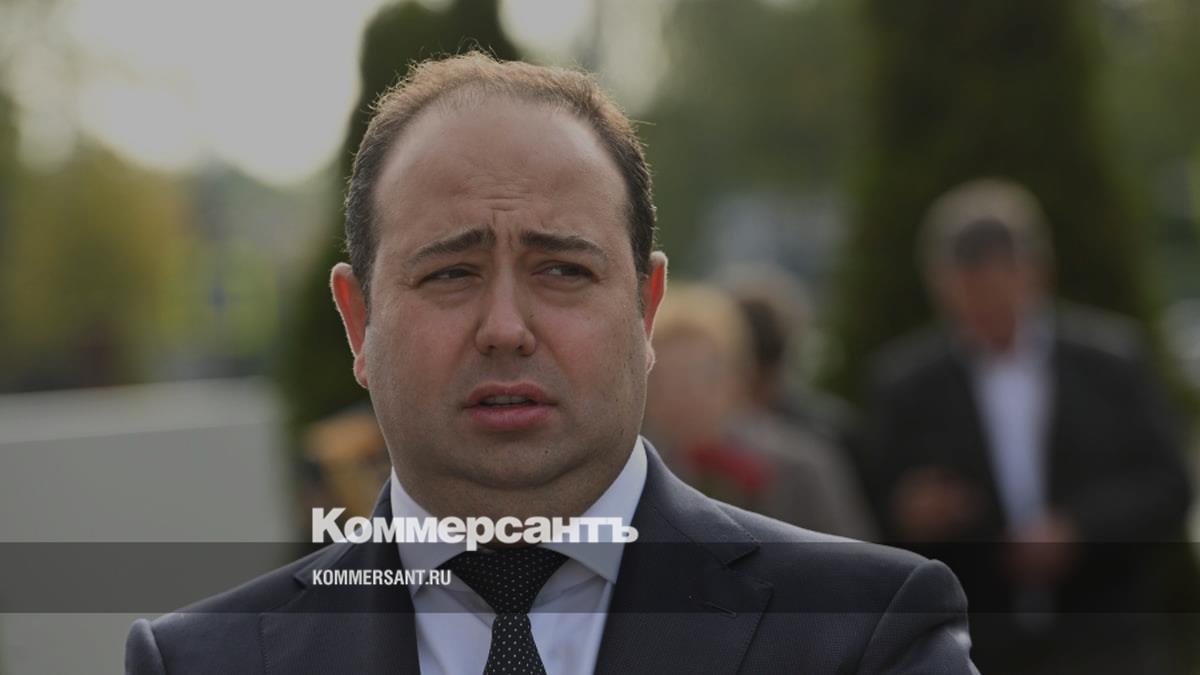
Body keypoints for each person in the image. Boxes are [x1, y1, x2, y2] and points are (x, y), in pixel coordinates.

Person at [126, 52, 976, 674]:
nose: (505, 328)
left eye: (563, 270)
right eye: (451, 273)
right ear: (359, 321)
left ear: (645, 308)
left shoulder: (865, 635)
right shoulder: (202, 663)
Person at [866, 177, 1193, 674]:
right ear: (939, 285)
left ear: (1037, 273)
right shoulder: (906, 384)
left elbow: (1168, 485)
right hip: (973, 642)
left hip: (1104, 636)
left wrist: (1079, 530)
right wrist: (912, 511)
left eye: (996, 289)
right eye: (966, 294)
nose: (982, 310)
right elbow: (873, 508)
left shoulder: (1110, 363)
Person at [644, 281, 875, 539]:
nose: (684, 394)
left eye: (702, 375)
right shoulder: (634, 472)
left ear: (738, 377)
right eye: (665, 378)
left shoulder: (800, 467)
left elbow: (851, 553)